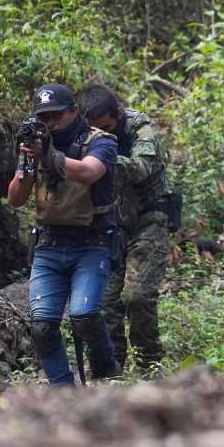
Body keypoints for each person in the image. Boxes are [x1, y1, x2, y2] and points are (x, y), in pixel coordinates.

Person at [7, 83, 120, 385]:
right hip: (49, 244)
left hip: (91, 243)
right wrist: (27, 164)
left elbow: (88, 172)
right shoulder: (36, 144)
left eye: (56, 116)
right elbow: (15, 199)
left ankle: (106, 369)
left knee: (84, 317)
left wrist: (49, 156)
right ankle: (63, 393)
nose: (50, 123)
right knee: (42, 327)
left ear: (74, 111)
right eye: (44, 117)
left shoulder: (101, 141)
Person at [79, 84, 172, 374]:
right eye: (95, 130)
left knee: (138, 296)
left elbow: (142, 169)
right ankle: (111, 370)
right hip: (110, 225)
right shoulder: (86, 133)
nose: (101, 134)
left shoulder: (141, 129)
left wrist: (101, 159)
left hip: (148, 221)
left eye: (106, 128)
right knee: (105, 303)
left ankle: (149, 366)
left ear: (118, 113)